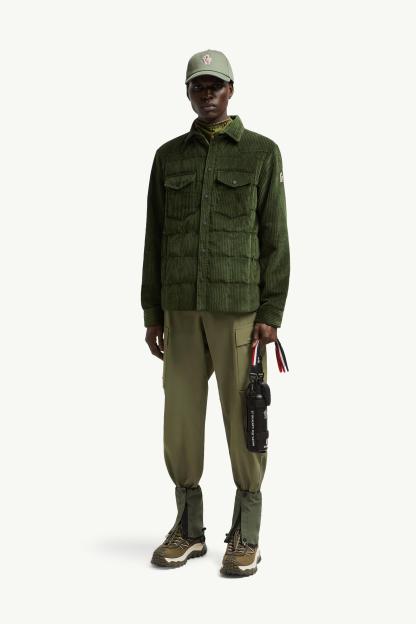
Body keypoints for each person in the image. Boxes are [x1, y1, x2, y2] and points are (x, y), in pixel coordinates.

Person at [140, 49, 290, 577]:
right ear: (188, 93)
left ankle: (246, 533)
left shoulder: (261, 153)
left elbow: (275, 237)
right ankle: (189, 528)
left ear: (231, 89)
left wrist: (271, 310)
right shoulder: (168, 157)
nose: (207, 94)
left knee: (246, 419)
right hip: (180, 311)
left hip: (239, 314)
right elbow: (154, 239)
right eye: (198, 86)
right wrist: (152, 311)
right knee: (180, 420)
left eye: (215, 85)